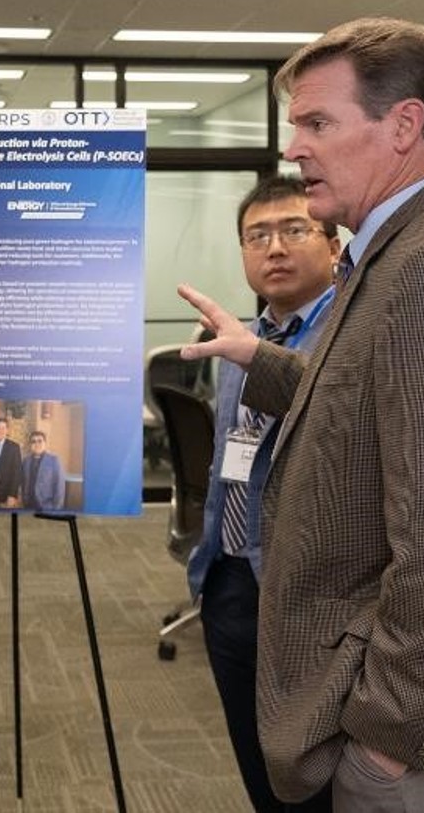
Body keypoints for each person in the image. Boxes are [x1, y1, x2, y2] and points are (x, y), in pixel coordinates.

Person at [178, 17, 424, 810]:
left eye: (317, 123)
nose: (294, 148)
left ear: (404, 125)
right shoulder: (402, 247)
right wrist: (258, 358)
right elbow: (368, 412)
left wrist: (387, 734)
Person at [185, 173, 340, 813]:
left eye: (294, 230)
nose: (274, 248)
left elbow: (339, 403)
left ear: (334, 246)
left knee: (315, 779)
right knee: (261, 775)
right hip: (229, 580)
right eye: (257, 236)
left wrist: (258, 357)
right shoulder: (238, 340)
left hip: (308, 597)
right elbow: (231, 460)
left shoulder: (350, 335)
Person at [20, 430, 66, 511]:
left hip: (47, 507)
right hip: (28, 506)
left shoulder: (54, 460)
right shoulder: (26, 461)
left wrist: (56, 509)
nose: (37, 444)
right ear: (30, 445)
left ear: (45, 443)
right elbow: (24, 483)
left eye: (40, 441)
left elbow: (60, 487)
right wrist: (24, 500)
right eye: (33, 441)